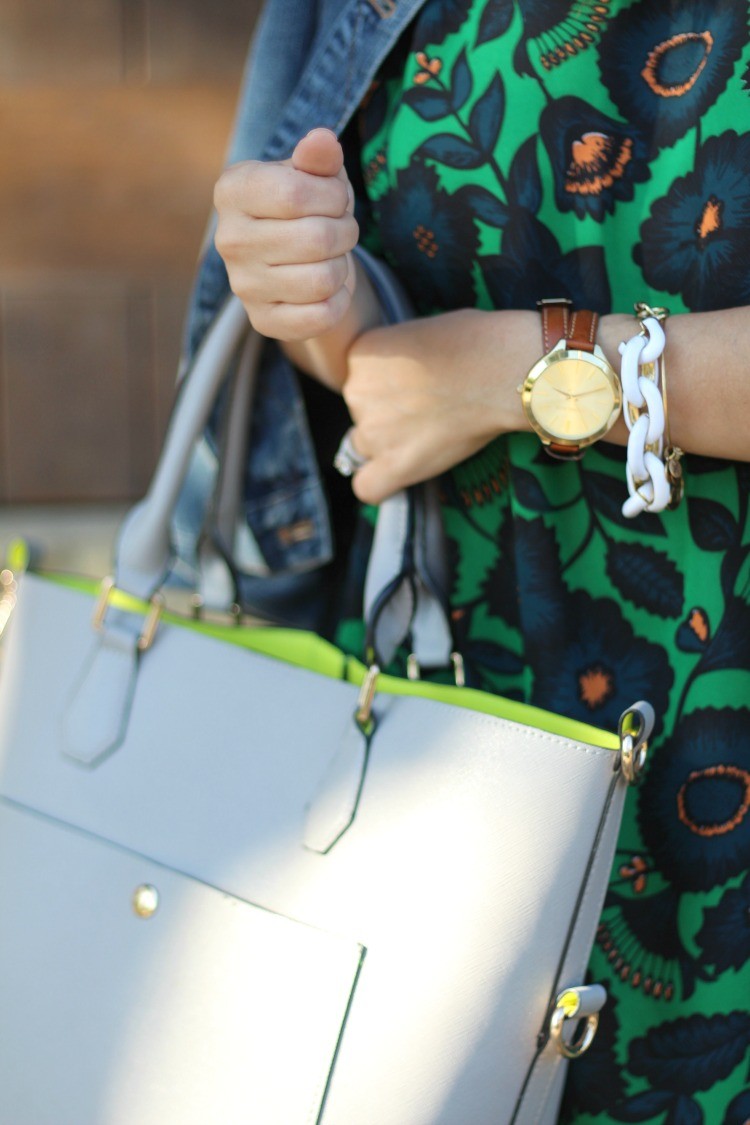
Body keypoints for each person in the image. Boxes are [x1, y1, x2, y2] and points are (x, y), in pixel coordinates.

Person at [188, 1, 750, 1121]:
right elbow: (364, 370)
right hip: (439, 733)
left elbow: (457, 374)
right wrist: (311, 291)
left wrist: (517, 373)